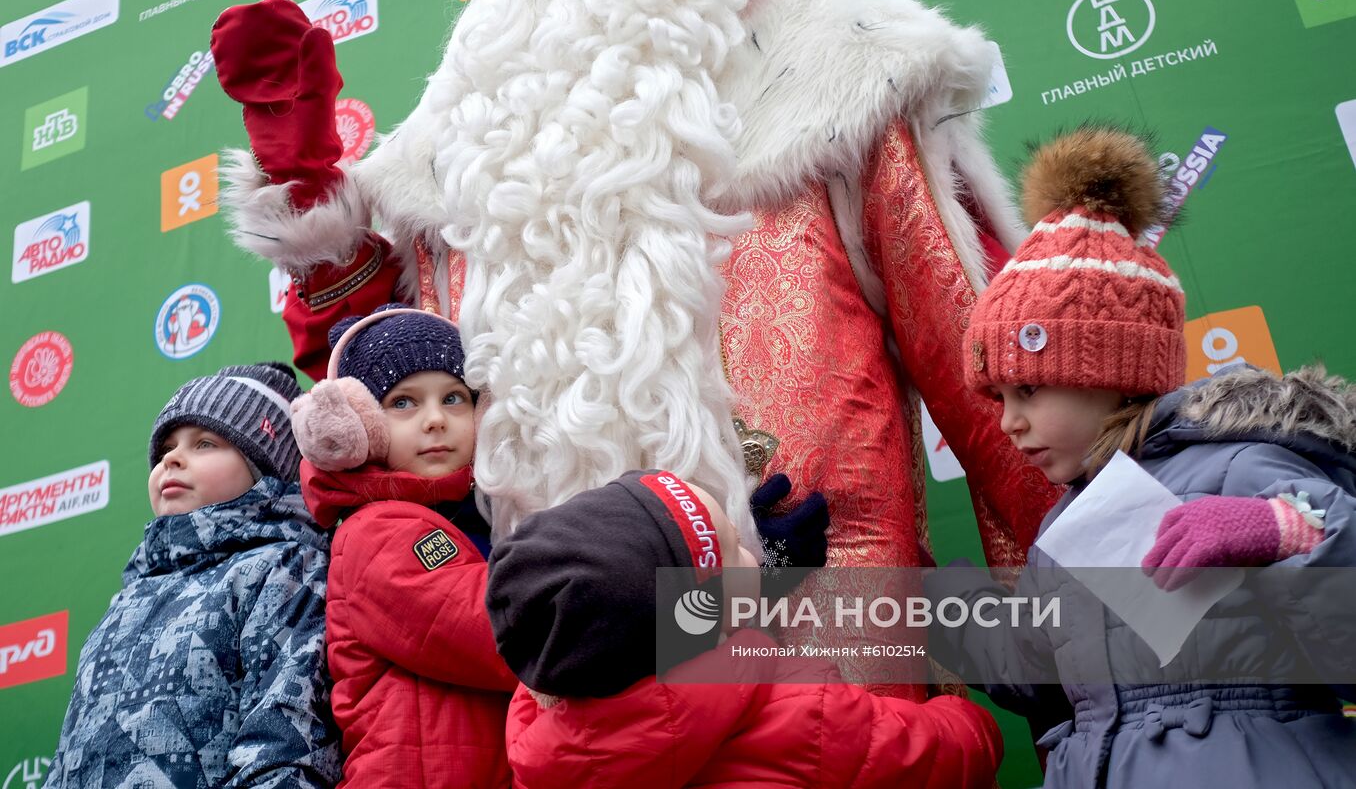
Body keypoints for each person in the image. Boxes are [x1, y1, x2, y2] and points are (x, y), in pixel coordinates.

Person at [211, 0, 1058, 684]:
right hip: (578, 654)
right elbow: (391, 378)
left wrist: (1091, 640)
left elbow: (979, 345)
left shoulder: (828, 63)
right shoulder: (457, 149)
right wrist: (307, 193)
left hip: (826, 610)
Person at [924, 125, 1356, 787]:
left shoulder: (1237, 472)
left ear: (1111, 372)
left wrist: (1283, 531)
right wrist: (936, 598)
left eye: (1030, 390)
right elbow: (1034, 669)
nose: (1008, 422)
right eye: (999, 396)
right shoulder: (1066, 528)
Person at [485, 468, 1004, 788]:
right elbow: (936, 755)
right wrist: (969, 720)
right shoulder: (799, 713)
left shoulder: (538, 745)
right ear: (700, 617)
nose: (754, 559)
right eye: (735, 548)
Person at [43, 364, 341, 789]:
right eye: (166, 446)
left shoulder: (283, 569)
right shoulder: (128, 599)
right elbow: (67, 758)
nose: (172, 458)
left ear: (265, 470)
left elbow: (286, 745)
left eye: (205, 443)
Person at [290, 304, 518, 788]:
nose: (435, 420)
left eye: (454, 398)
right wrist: (685, 620)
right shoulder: (377, 532)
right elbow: (502, 633)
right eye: (403, 403)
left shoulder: (484, 514)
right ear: (361, 428)